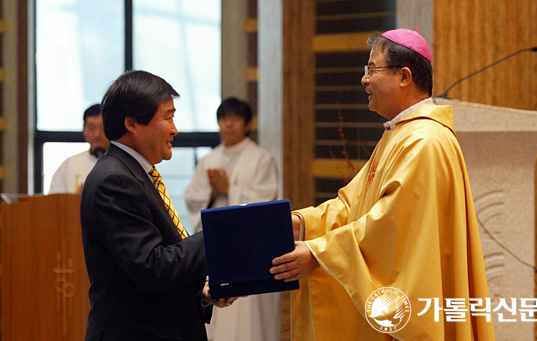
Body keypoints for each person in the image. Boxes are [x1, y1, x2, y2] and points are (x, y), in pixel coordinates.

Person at [270, 29, 495, 340]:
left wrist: (319, 252)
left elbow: (389, 227)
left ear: (404, 76)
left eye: (371, 69)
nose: (364, 80)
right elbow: (353, 205)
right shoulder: (399, 134)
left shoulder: (423, 141)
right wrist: (301, 223)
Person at [80, 70, 236, 341]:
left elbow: (144, 271)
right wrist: (217, 234)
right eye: (168, 116)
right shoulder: (115, 180)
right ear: (132, 123)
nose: (174, 129)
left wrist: (199, 292)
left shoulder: (135, 172)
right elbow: (151, 267)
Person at [184, 97, 280, 341]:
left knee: (249, 318)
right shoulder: (208, 160)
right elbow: (193, 199)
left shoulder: (261, 159)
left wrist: (231, 190)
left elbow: (266, 202)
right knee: (218, 315)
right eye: (224, 118)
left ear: (248, 124)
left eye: (236, 119)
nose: (229, 124)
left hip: (251, 248)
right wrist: (213, 192)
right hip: (218, 246)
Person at [49, 104, 110, 194]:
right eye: (91, 128)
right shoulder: (69, 165)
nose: (97, 134)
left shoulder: (123, 162)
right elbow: (55, 202)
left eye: (102, 128)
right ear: (84, 129)